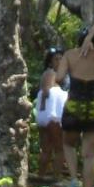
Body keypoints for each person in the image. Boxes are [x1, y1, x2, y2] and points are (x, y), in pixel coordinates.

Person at [56, 19, 94, 187]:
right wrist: (91, 37)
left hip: (75, 105)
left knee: (68, 144)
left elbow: (60, 78)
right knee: (89, 155)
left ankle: (73, 179)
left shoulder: (69, 55)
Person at [33, 47, 68, 178]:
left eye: (61, 59)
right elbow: (46, 90)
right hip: (53, 116)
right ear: (50, 62)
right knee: (60, 148)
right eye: (56, 59)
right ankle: (55, 178)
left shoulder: (57, 77)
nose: (59, 61)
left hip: (45, 115)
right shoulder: (50, 73)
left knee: (47, 148)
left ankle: (40, 176)